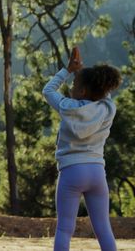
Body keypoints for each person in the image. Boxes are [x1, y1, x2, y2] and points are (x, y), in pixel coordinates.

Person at [42, 47, 121, 251]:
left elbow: (48, 90)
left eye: (75, 85)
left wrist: (68, 70)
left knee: (64, 229)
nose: (71, 88)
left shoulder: (67, 106)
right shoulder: (107, 109)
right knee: (104, 228)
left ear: (82, 91)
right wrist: (83, 75)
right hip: (96, 173)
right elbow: (103, 93)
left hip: (71, 172)